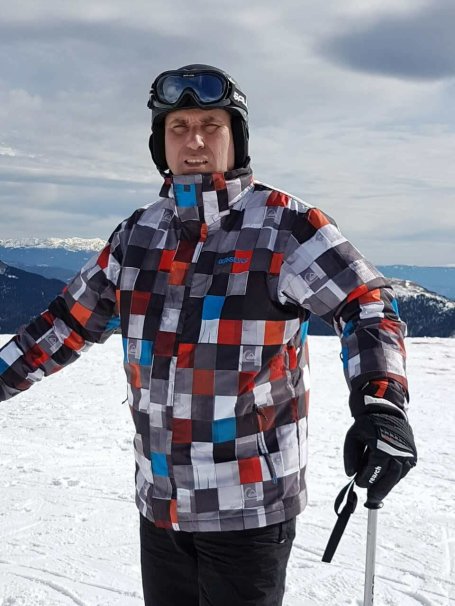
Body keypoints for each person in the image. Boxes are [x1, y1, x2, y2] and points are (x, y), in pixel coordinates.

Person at [0, 64, 417, 606]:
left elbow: (366, 306)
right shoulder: (137, 236)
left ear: (235, 137)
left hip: (249, 508)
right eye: (178, 128)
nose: (194, 141)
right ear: (161, 144)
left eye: (210, 126)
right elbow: (65, 323)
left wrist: (382, 401)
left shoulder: (286, 228)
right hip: (162, 506)